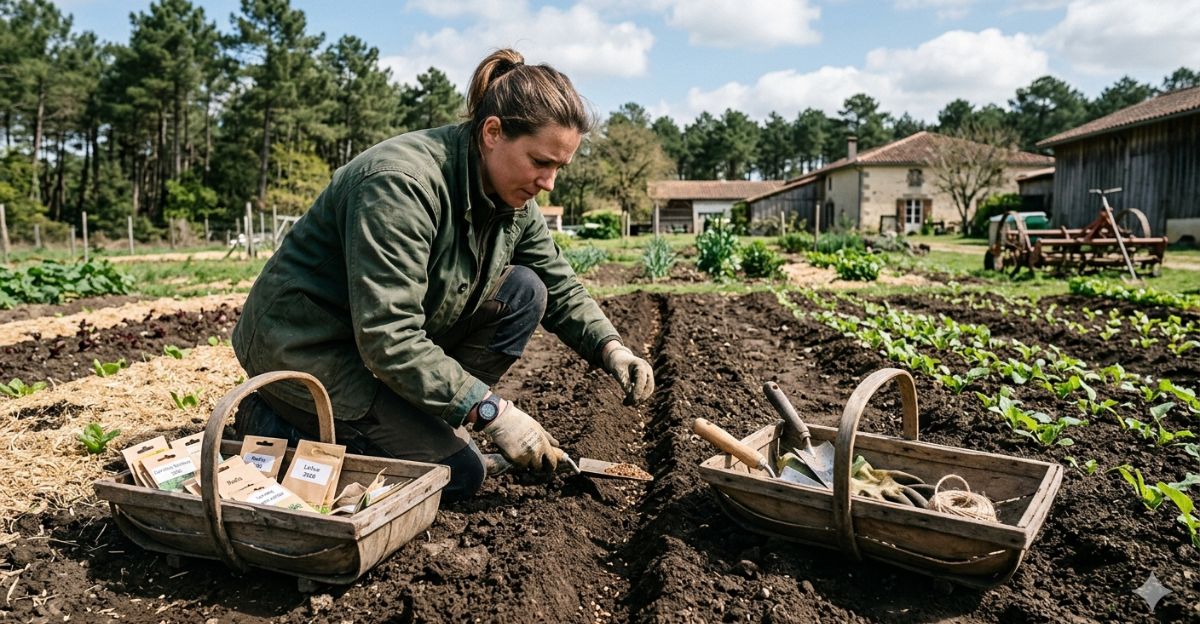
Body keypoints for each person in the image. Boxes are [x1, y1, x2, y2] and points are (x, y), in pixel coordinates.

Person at [230, 48, 654, 502]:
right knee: (459, 476)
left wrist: (612, 348)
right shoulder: (400, 185)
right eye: (540, 162)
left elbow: (557, 282)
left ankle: (422, 422)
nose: (549, 182)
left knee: (525, 291)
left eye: (559, 167)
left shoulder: (514, 200)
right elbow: (388, 336)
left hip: (375, 348)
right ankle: (275, 416)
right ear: (493, 132)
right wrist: (491, 411)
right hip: (307, 349)